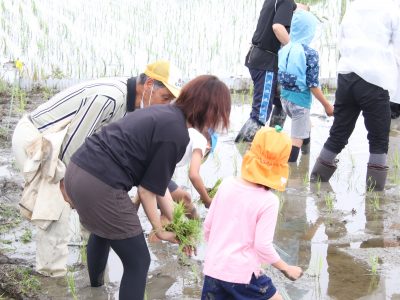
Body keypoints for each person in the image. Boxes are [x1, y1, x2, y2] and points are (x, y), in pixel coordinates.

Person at [63, 75, 231, 300]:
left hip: (77, 170)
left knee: (102, 231)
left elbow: (157, 187)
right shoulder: (176, 132)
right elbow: (146, 191)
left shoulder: (163, 114)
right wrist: (160, 230)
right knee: (139, 260)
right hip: (100, 184)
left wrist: (179, 227)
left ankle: (95, 292)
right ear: (208, 110)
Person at [11, 60, 183, 277]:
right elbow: (72, 145)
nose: (166, 106)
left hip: (68, 147)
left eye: (171, 101)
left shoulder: (135, 109)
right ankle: (52, 279)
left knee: (96, 213)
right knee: (55, 212)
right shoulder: (109, 99)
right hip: (41, 139)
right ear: (148, 84)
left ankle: (93, 279)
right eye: (165, 98)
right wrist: (66, 186)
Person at [202, 126, 303, 300]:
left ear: (251, 152)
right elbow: (262, 246)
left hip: (213, 270)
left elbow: (208, 227)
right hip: (242, 275)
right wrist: (286, 268)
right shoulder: (268, 201)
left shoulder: (226, 184)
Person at [310, 0, 400, 191]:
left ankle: (316, 183)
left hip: (347, 76)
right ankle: (374, 196)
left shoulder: (354, 5)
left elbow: (341, 39)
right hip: (374, 80)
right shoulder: (393, 8)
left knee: (338, 133)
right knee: (378, 139)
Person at [235, 0, 298, 143]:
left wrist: (304, 9)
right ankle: (242, 147)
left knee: (282, 102)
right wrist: (293, 49)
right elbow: (277, 27)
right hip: (266, 63)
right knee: (260, 114)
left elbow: (294, 7)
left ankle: (271, 142)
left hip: (258, 57)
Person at [278, 10, 333, 163]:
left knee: (304, 127)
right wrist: (327, 105)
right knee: (295, 140)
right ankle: (291, 177)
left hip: (285, 100)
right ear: (309, 31)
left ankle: (306, 157)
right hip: (300, 103)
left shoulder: (284, 48)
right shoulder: (310, 53)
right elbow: (313, 85)